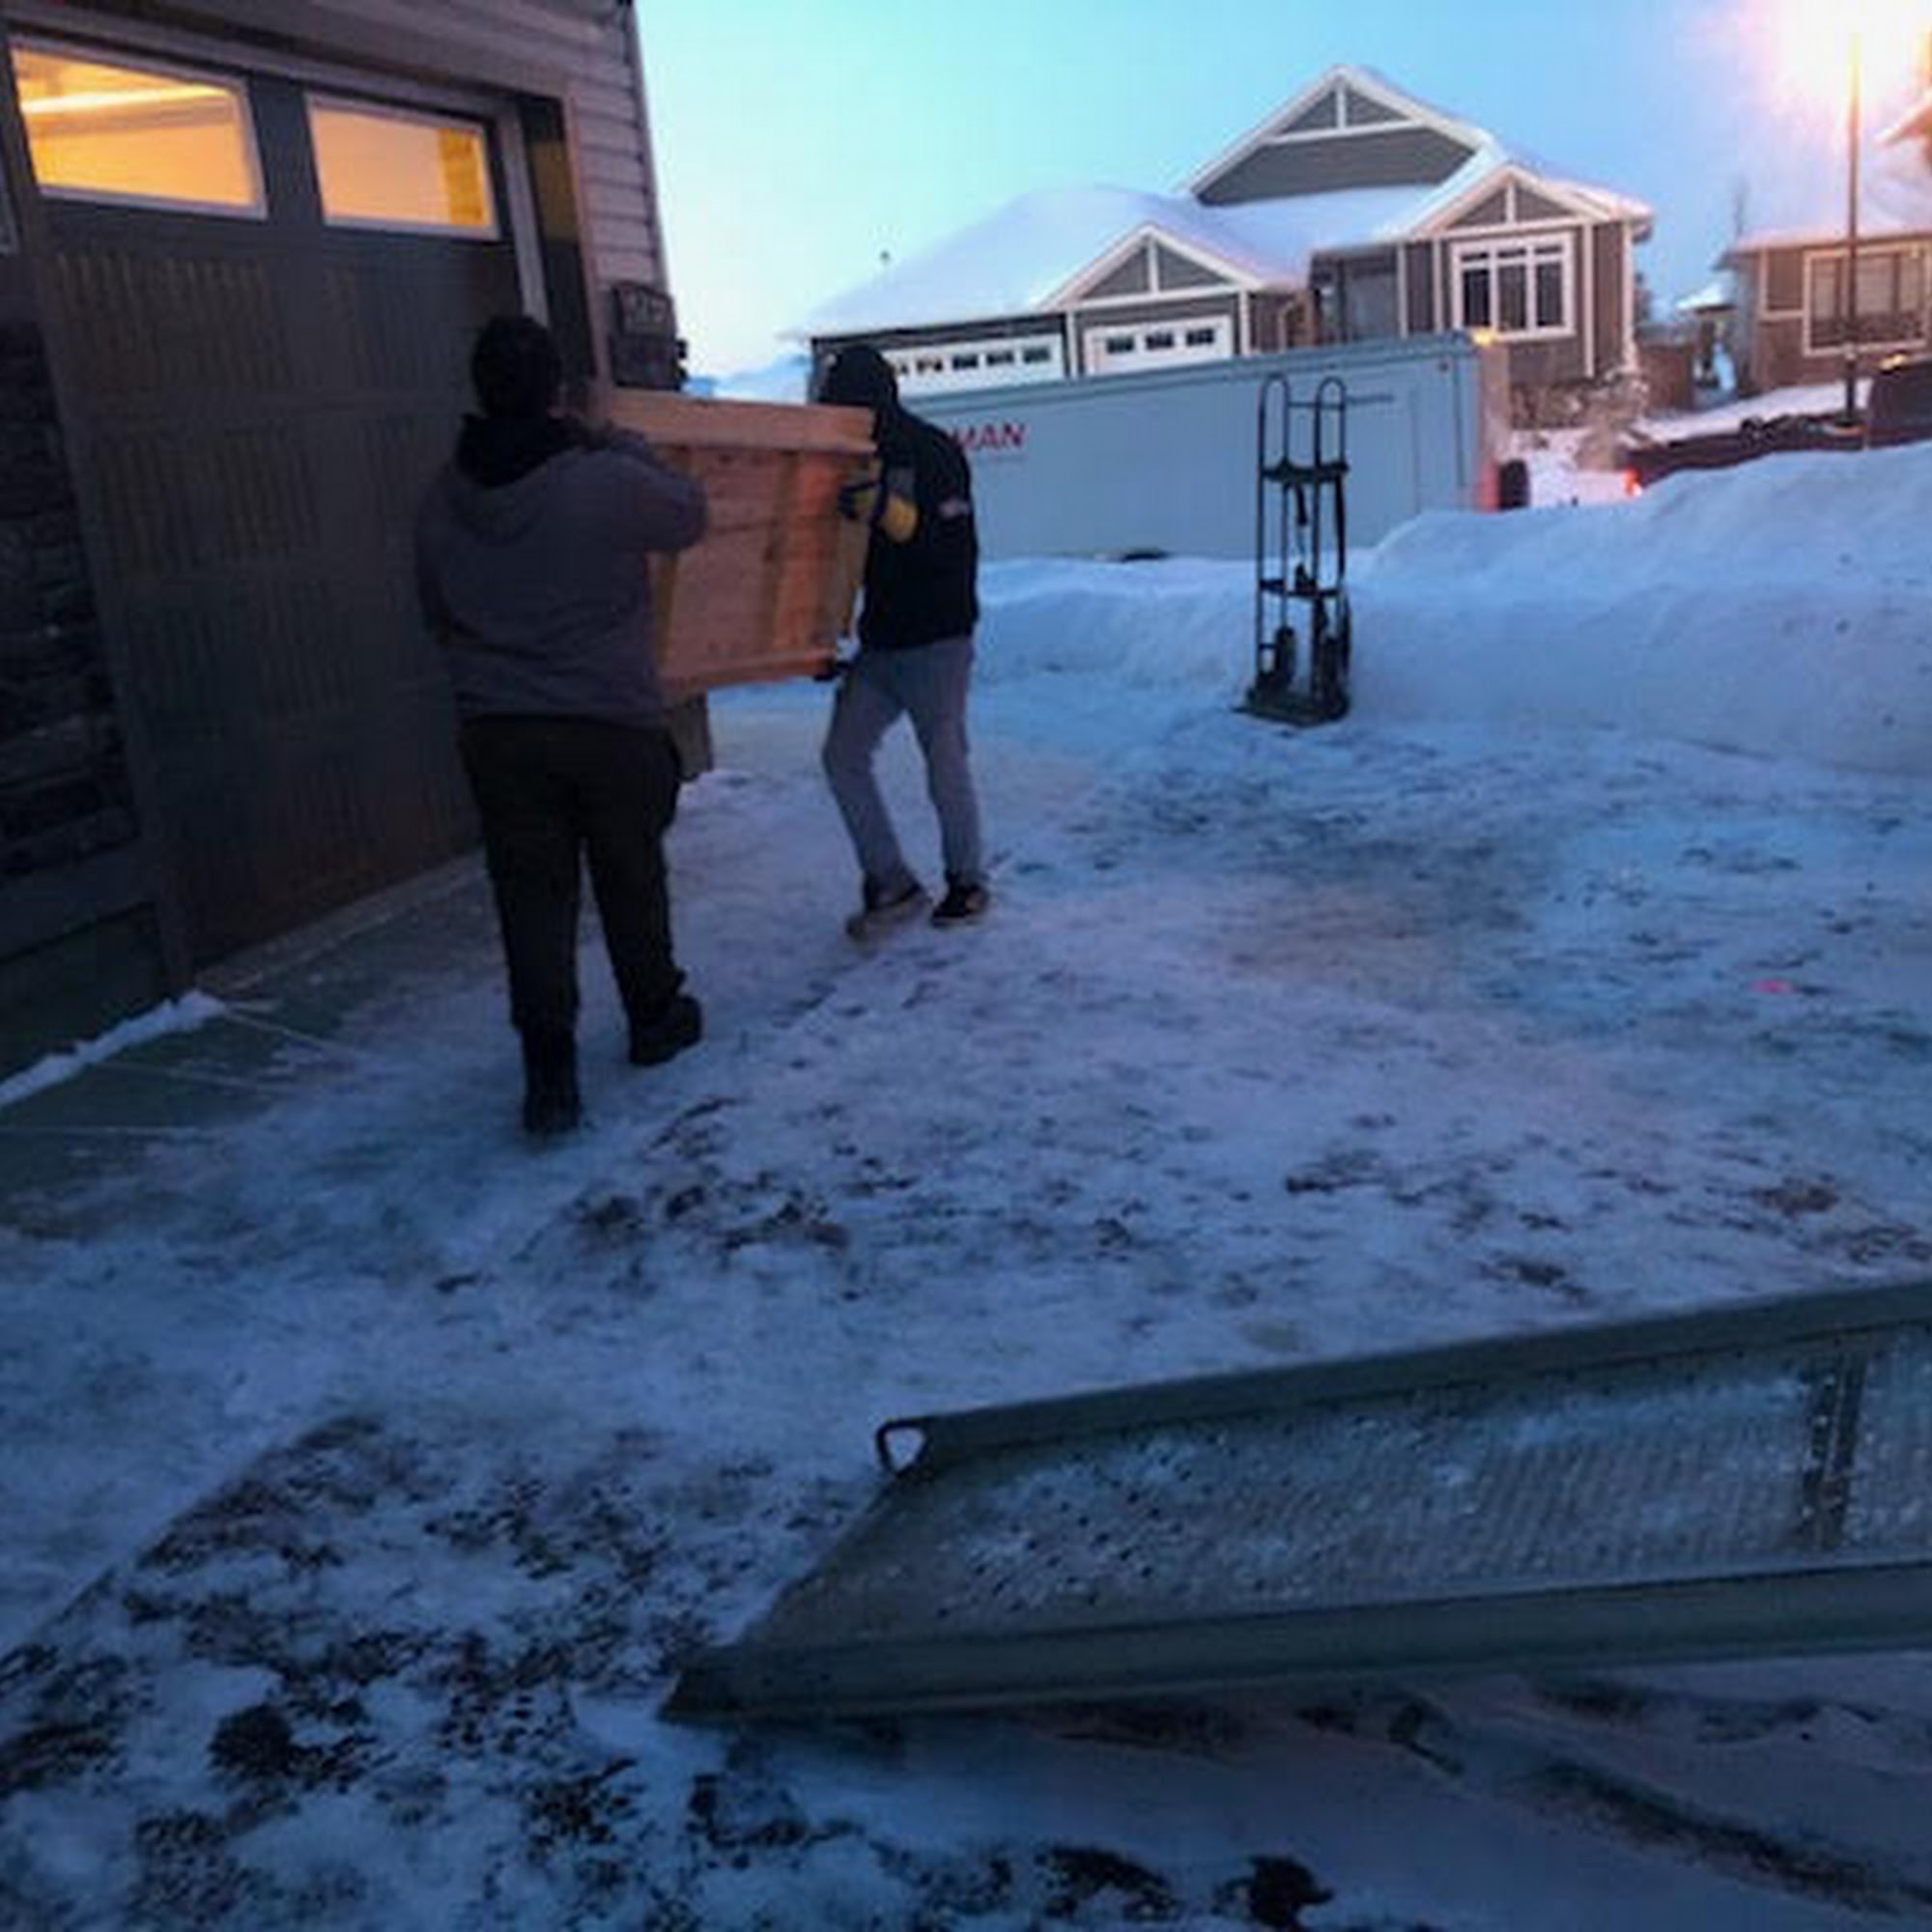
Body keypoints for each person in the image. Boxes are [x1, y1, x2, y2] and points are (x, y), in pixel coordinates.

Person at [415, 314, 707, 1137]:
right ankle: (654, 1017)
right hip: (608, 722)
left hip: (501, 733)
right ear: (555, 392)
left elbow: (436, 613)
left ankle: (549, 1075)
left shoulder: (442, 500)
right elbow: (688, 515)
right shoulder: (600, 480)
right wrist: (620, 445)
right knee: (630, 878)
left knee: (531, 900)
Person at [817, 343, 989, 939]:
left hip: (939, 637)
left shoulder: (933, 451)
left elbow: (952, 548)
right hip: (882, 642)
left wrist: (890, 513)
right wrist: (819, 635)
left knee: (943, 758)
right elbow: (828, 560)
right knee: (842, 755)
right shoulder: (845, 460)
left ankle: (967, 881)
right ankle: (890, 881)